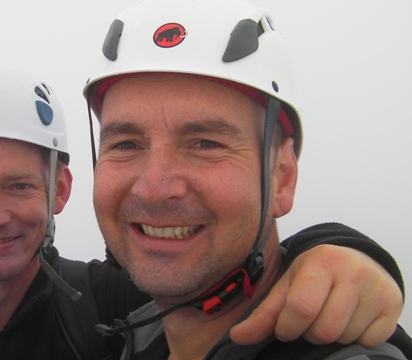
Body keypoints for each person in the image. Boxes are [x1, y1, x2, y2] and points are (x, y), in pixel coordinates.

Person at [0, 66, 407, 360]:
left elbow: (216, 278)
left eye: (18, 186)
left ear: (60, 191)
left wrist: (335, 252)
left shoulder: (111, 308)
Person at [82, 0, 411, 358]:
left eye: (205, 144)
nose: (154, 188)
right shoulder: (135, 334)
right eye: (126, 144)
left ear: (282, 178)